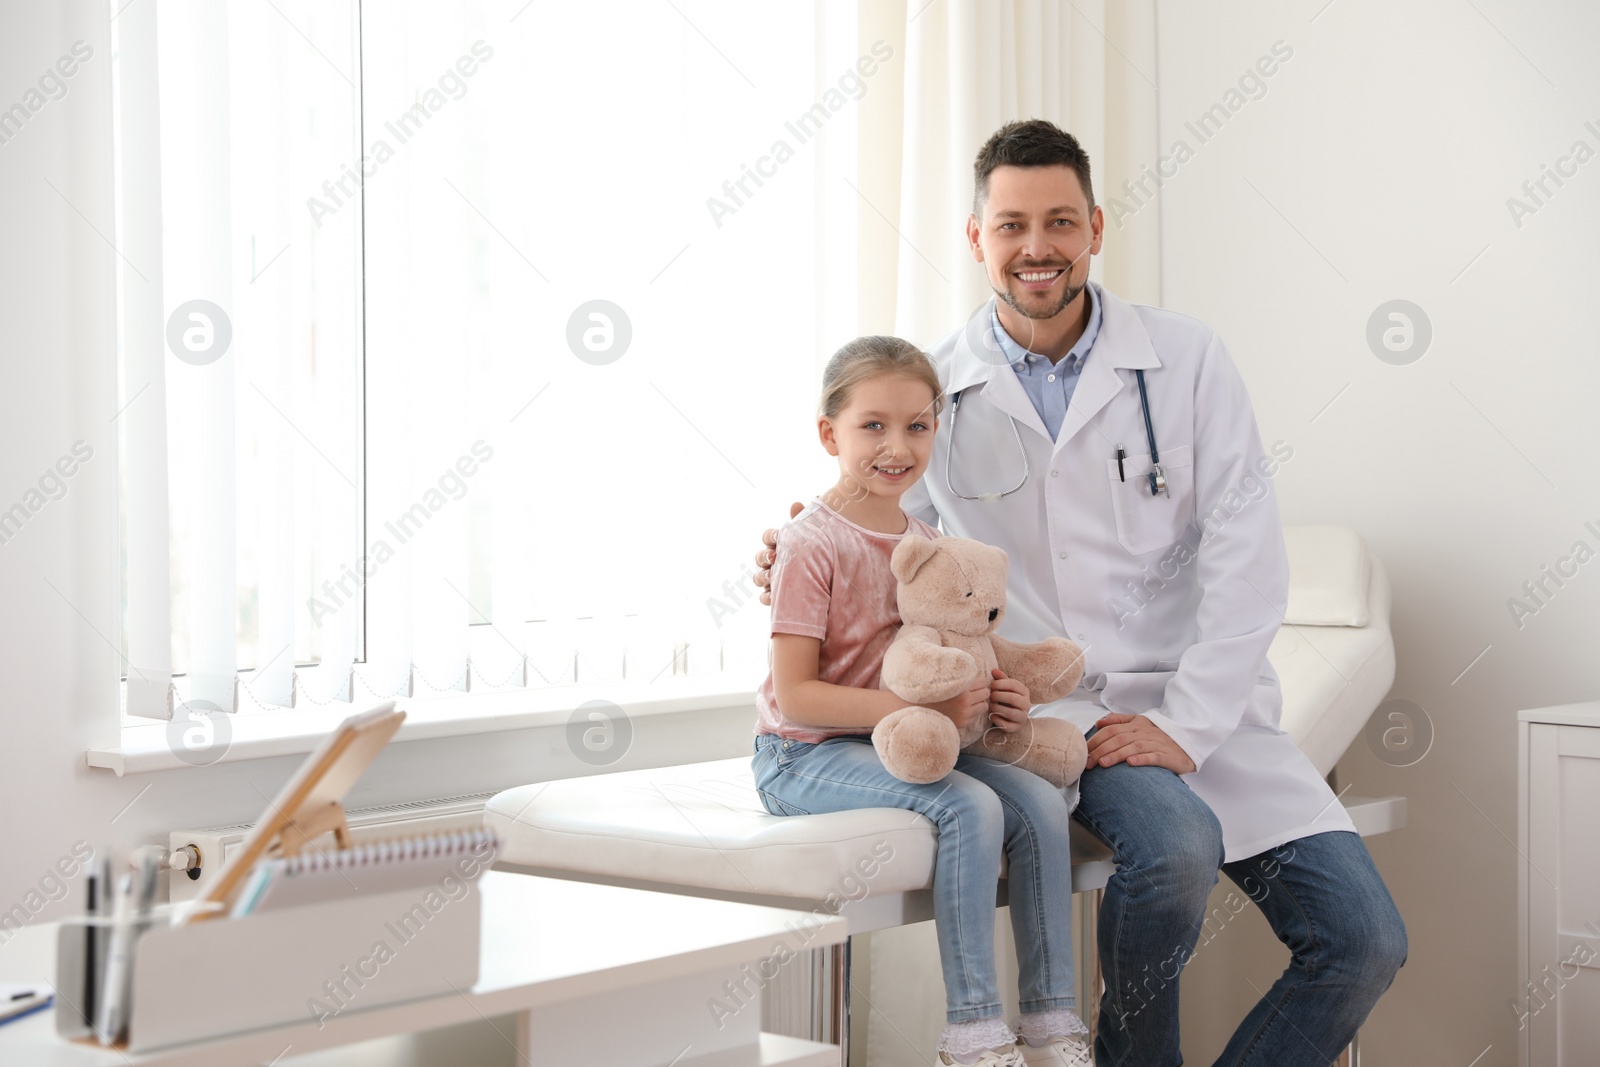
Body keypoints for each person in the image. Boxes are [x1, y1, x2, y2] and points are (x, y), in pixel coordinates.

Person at [757, 120, 1407, 1066]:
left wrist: (1189, 721)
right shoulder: (942, 390)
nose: (1037, 247)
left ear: (1095, 228)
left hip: (1204, 708)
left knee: (1362, 942)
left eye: (1060, 221)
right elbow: (893, 533)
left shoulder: (1186, 360)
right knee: (1176, 849)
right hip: (1058, 710)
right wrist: (791, 542)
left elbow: (1247, 556)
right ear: (977, 237)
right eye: (1012, 224)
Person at [754, 335, 1094, 1067]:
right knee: (969, 806)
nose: (896, 444)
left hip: (904, 740)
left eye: (916, 425)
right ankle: (973, 1034)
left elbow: (959, 651)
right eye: (872, 425)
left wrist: (993, 698)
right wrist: (921, 715)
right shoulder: (810, 544)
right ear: (828, 434)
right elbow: (795, 693)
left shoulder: (934, 543)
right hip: (804, 751)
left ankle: (1051, 1025)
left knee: (1034, 801)